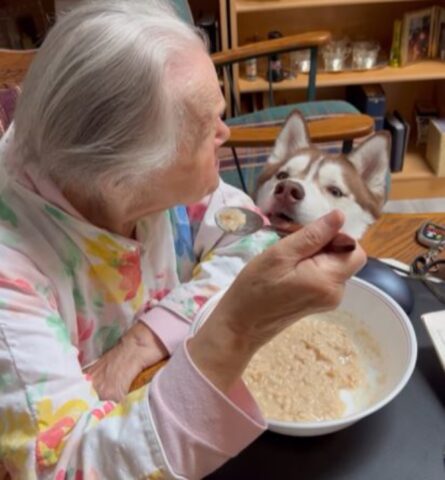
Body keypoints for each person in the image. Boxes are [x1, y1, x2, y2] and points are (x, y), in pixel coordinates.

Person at [0, 1, 366, 479]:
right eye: (206, 129)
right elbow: (69, 467)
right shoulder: (13, 280)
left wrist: (143, 339)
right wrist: (235, 328)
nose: (226, 132)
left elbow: (247, 236)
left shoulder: (154, 187)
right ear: (125, 175)